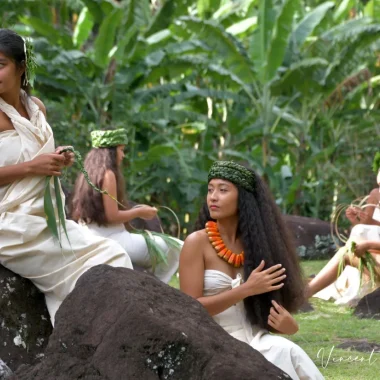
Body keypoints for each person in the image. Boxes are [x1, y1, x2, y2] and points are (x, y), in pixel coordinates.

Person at [0, 29, 133, 325]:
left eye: (0, 65)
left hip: (47, 216)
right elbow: (29, 165)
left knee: (114, 253)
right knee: (100, 265)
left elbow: (36, 156)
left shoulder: (37, 109)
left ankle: (74, 346)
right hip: (10, 225)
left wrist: (58, 158)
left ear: (21, 67)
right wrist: (31, 167)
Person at [179, 161, 324, 380]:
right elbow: (188, 309)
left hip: (256, 338)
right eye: (210, 189)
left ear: (243, 199)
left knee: (287, 350)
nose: (213, 196)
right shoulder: (196, 242)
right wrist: (245, 289)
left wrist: (289, 326)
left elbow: (266, 309)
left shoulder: (257, 246)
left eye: (223, 190)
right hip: (213, 341)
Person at [71, 129, 182, 284]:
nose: (123, 155)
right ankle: (158, 284)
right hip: (111, 238)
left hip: (90, 233)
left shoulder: (89, 173)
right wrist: (139, 212)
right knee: (175, 247)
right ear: (110, 152)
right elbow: (112, 216)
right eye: (121, 150)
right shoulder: (108, 174)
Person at [307, 159, 380, 303]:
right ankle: (305, 292)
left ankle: (302, 295)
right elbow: (368, 228)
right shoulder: (375, 194)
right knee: (352, 242)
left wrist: (367, 244)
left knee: (345, 253)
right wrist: (359, 221)